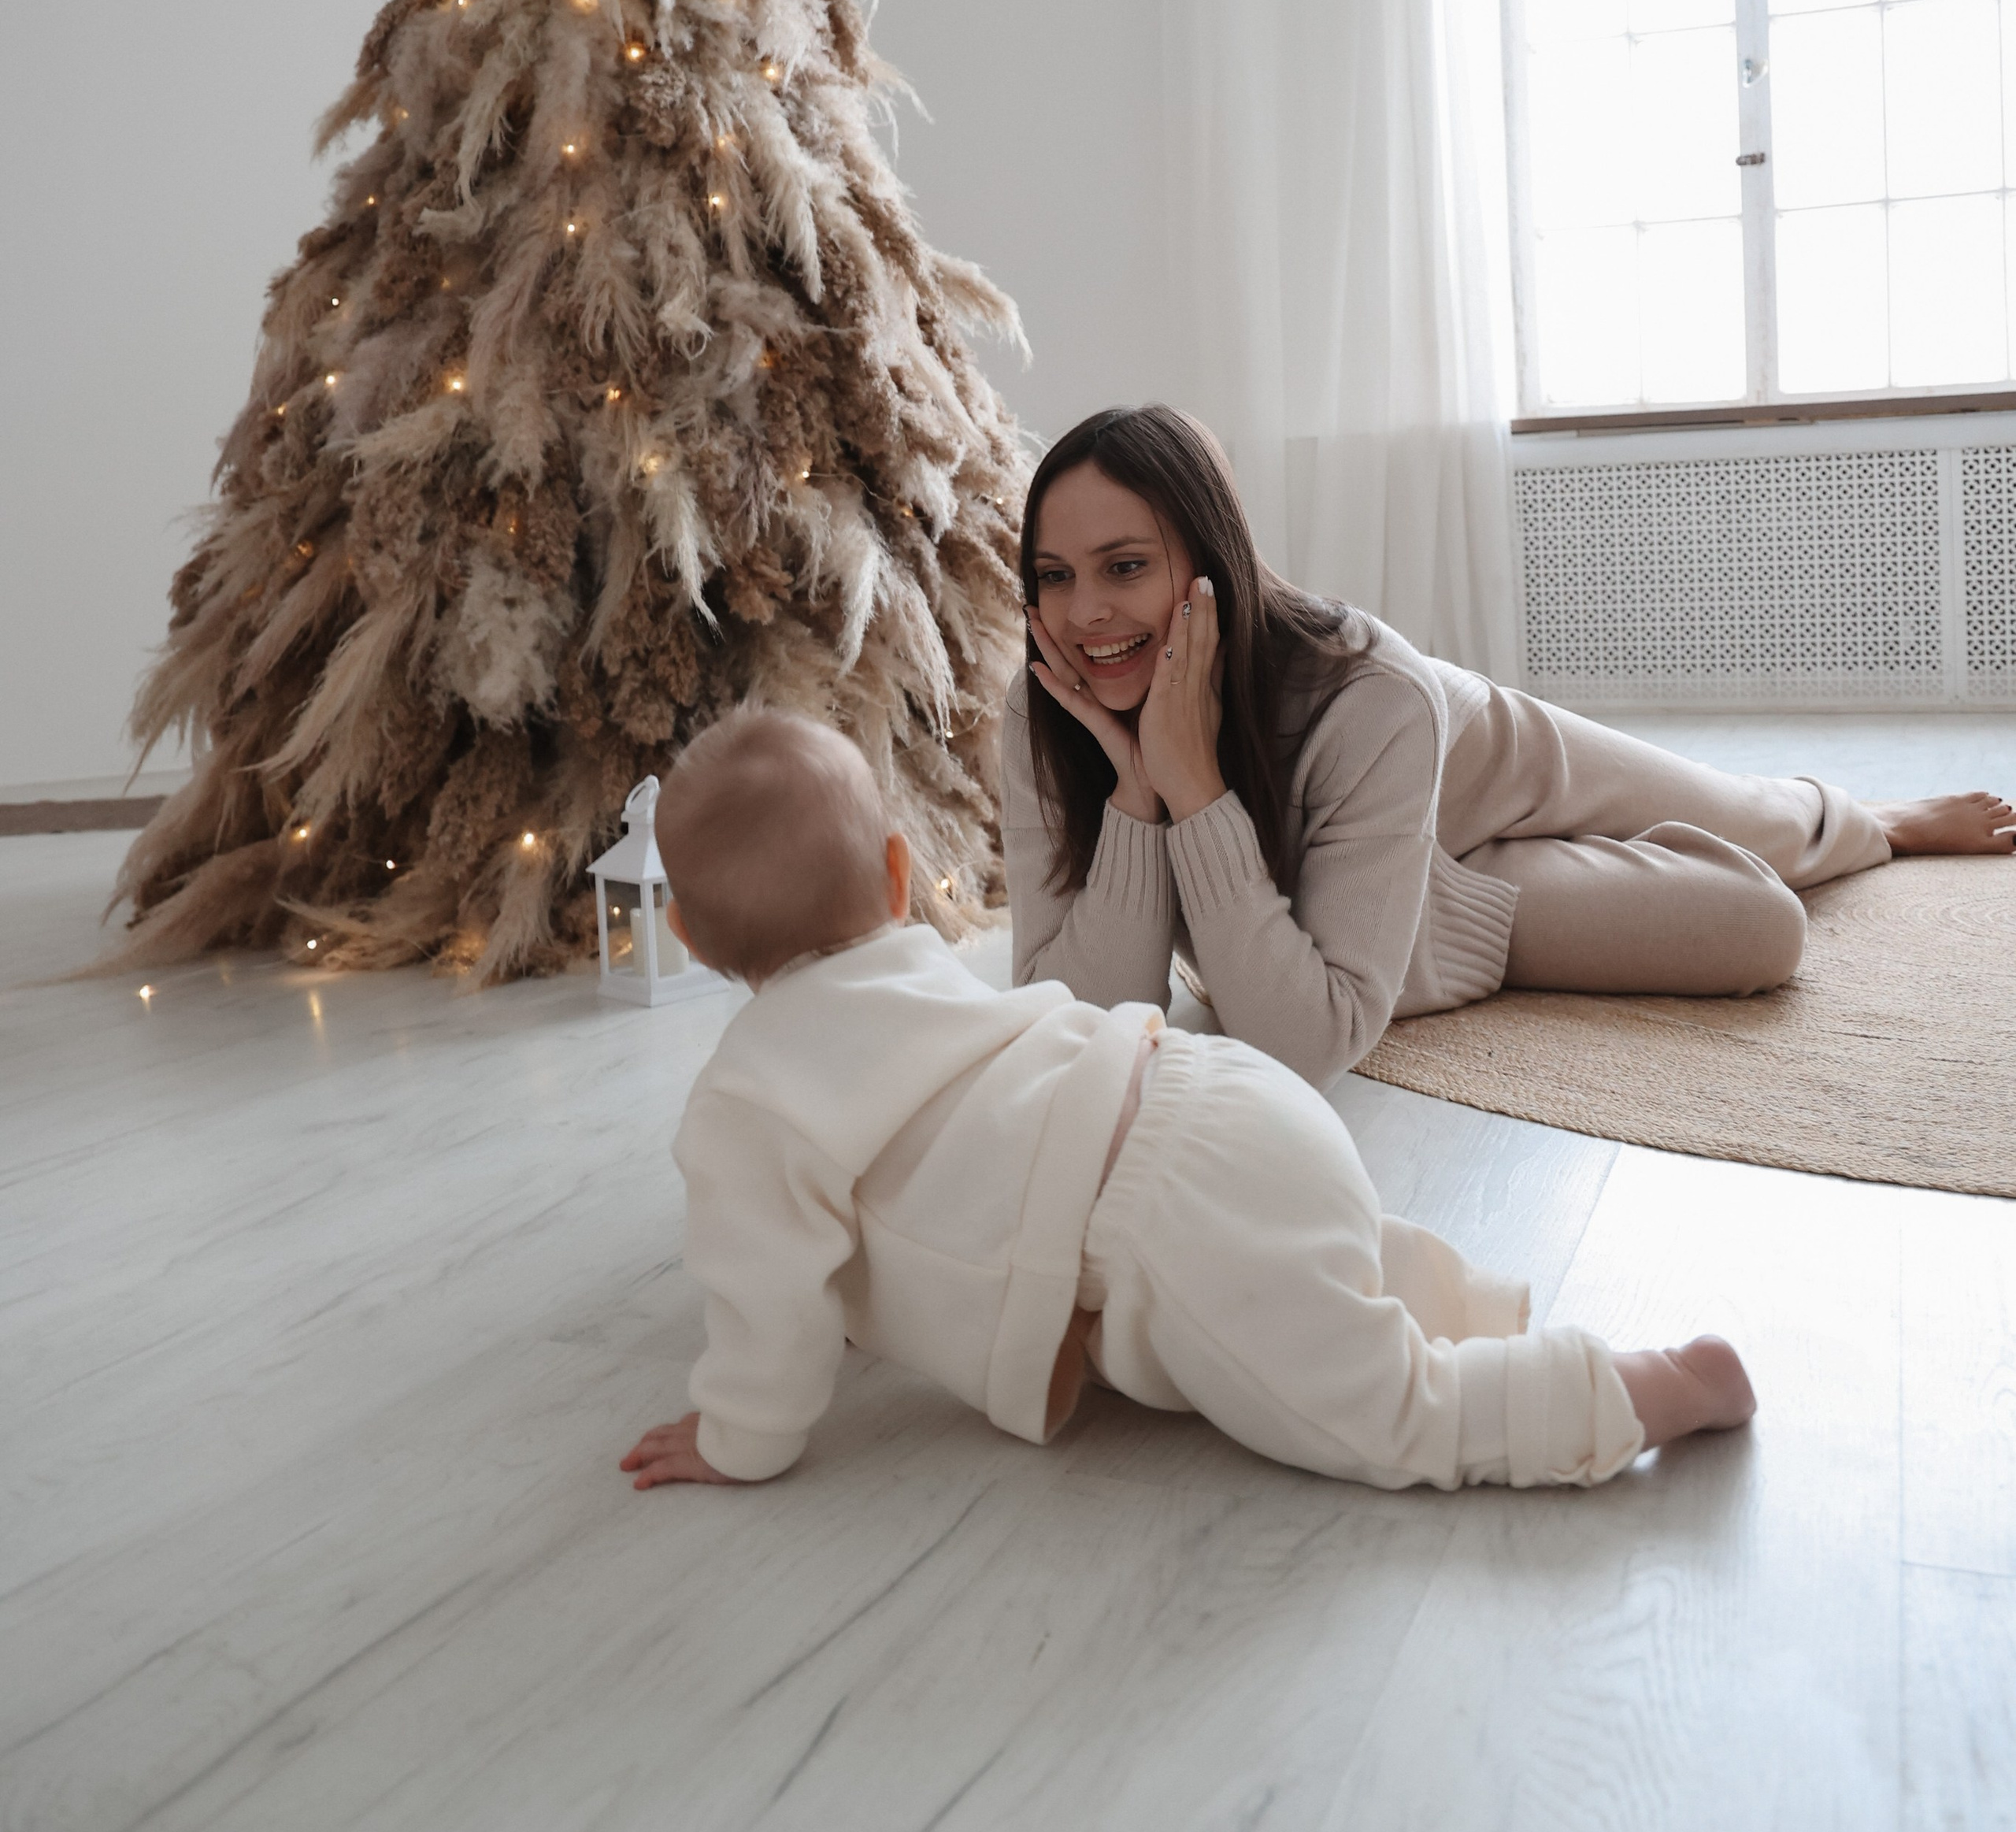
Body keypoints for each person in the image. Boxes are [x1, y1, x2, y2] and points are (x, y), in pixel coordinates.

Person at [618, 710, 1755, 1500]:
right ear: (899, 874)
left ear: (689, 937)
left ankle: (1652, 1390)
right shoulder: (920, 969)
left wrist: (742, 1435)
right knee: (1330, 1258)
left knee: (1382, 1415)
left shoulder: (748, 1099)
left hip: (1160, 1216)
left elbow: (770, 1294)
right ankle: (1467, 1311)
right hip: (1206, 1084)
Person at [1004, 405, 2015, 1093]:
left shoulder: (1370, 693)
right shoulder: (1052, 707)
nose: (1086, 613)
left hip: (1470, 758)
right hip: (1392, 877)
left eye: (1124, 567)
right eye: (1053, 576)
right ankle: (1405, 916)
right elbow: (1082, 1020)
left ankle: (1873, 819)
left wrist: (1194, 787)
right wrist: (1143, 794)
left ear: (1206, 561)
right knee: (1761, 931)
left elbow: (1292, 1027)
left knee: (1752, 822)